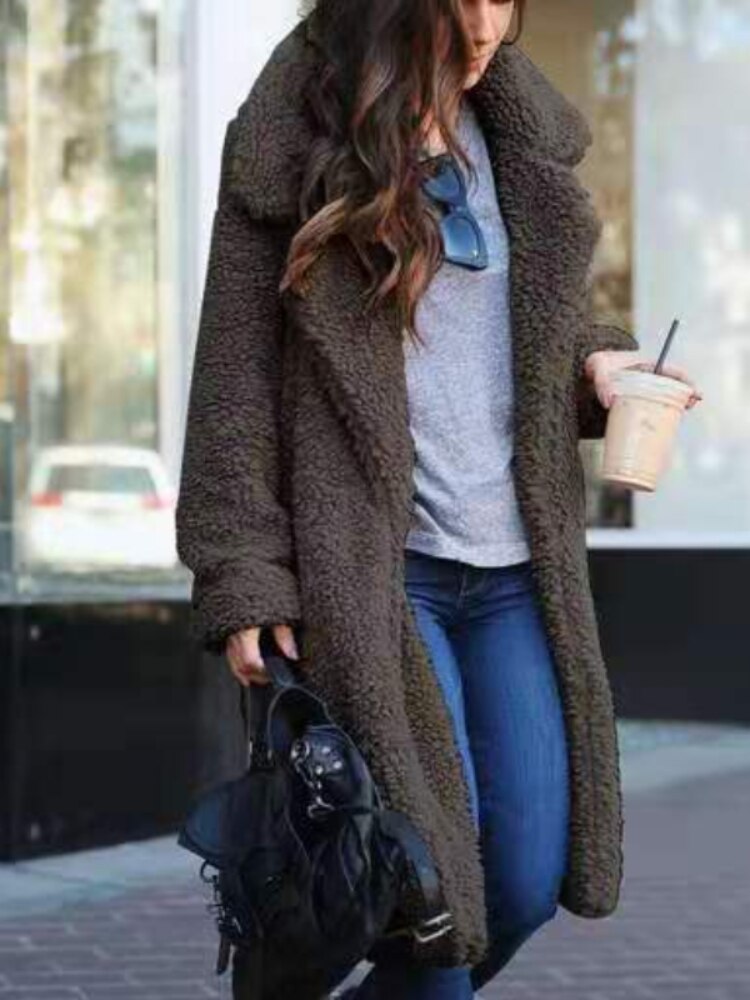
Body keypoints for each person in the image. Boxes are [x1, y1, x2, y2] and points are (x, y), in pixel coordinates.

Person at [175, 2, 702, 998]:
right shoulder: (297, 129)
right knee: (432, 901)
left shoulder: (515, 132)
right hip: (376, 573)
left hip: (510, 572)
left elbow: (532, 329)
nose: (488, 20)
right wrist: (240, 573)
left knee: (525, 875)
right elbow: (232, 376)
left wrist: (598, 368)